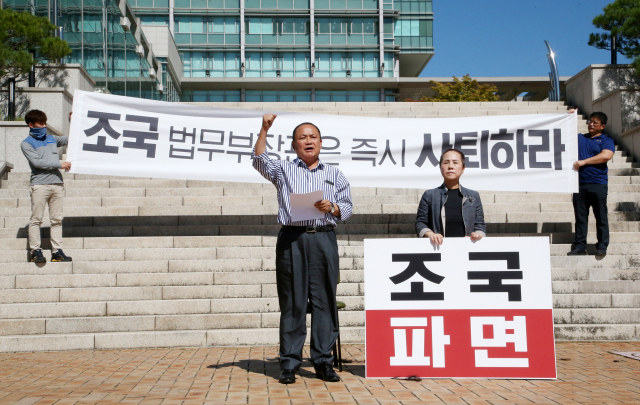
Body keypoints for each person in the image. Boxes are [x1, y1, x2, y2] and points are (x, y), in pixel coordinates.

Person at [252, 114, 353, 384]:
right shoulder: (283, 169)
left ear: (321, 143)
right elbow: (259, 159)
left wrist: (331, 207)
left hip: (323, 239)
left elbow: (348, 208)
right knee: (293, 303)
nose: (308, 141)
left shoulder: (335, 174)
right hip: (292, 240)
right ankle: (289, 363)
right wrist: (264, 129)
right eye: (302, 138)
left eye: (313, 137)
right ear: (294, 145)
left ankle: (323, 362)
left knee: (324, 302)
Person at [21, 109, 72, 263]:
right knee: (36, 219)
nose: (43, 126)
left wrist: (73, 122)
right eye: (40, 124)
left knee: (56, 219)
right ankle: (35, 250)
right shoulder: (26, 144)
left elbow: (71, 139)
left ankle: (57, 252)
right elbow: (37, 162)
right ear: (31, 125)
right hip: (39, 184)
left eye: (45, 123)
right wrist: (59, 164)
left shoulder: (51, 139)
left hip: (57, 184)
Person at [567, 111, 614, 256]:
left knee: (600, 216)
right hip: (579, 184)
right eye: (590, 122)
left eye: (595, 122)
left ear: (603, 126)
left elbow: (606, 155)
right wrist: (569, 116)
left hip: (598, 183)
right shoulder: (580, 138)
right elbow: (565, 132)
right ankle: (580, 245)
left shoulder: (606, 140)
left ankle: (602, 245)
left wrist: (584, 162)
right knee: (580, 218)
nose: (591, 124)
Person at [415, 149, 486, 244]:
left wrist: (477, 234)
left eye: (455, 162)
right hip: (438, 249)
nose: (451, 166)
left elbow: (480, 225)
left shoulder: (474, 196)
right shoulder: (429, 195)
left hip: (467, 248)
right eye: (446, 162)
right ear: (440, 167)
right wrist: (431, 234)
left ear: (463, 168)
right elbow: (420, 223)